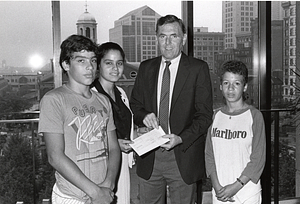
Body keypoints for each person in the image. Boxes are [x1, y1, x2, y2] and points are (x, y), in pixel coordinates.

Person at [130, 14, 213, 204]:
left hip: (183, 156)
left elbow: (204, 115)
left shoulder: (198, 69)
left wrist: (181, 138)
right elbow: (135, 105)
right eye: (162, 36)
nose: (167, 43)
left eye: (173, 36)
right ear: (157, 38)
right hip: (150, 155)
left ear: (183, 38)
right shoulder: (146, 67)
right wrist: (144, 116)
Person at [38, 34, 121, 204]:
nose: (90, 67)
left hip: (103, 192)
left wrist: (108, 185)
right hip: (72, 196)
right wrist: (95, 192)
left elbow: (113, 148)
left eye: (92, 60)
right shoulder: (54, 99)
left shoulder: (103, 100)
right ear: (66, 64)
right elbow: (55, 156)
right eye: (81, 61)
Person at [205, 60, 266, 204]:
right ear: (220, 86)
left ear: (244, 87)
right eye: (226, 83)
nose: (230, 88)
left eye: (236, 83)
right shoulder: (215, 116)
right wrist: (217, 186)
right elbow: (209, 155)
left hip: (247, 192)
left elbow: (258, 159)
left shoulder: (255, 116)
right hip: (220, 193)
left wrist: (236, 186)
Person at [91, 42, 134, 204]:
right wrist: (115, 144)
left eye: (119, 63)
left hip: (121, 162)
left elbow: (124, 125)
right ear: (98, 65)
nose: (115, 68)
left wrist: (137, 134)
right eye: (109, 63)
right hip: (101, 164)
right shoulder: (91, 96)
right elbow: (88, 137)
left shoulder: (121, 93)